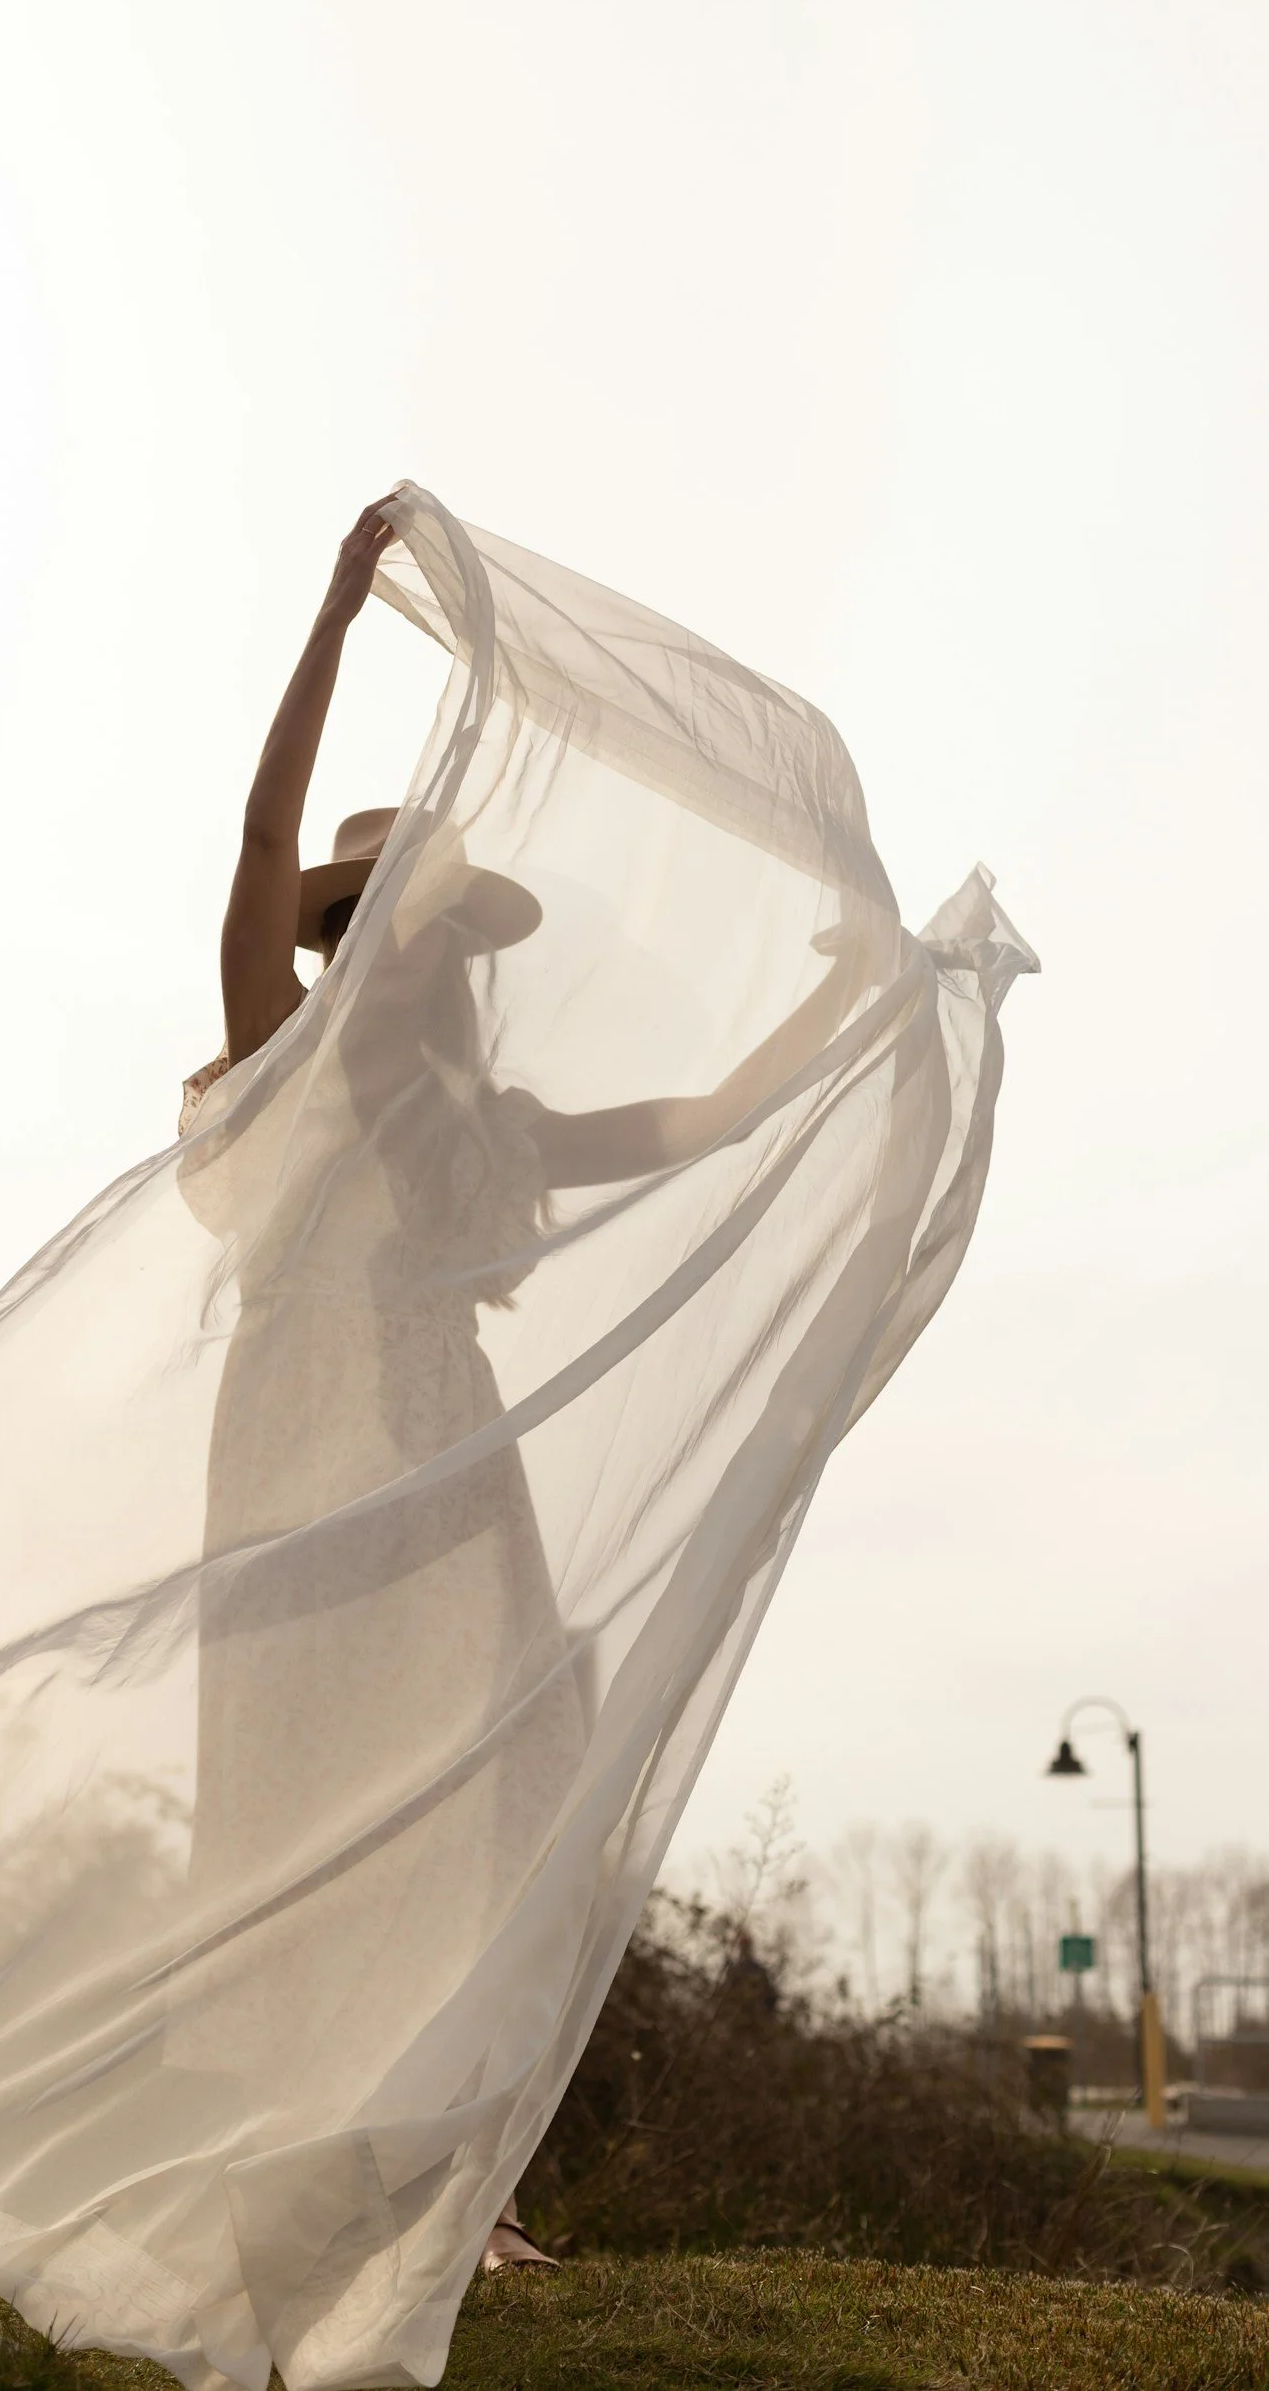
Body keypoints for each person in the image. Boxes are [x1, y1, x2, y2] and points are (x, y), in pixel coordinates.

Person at [179, 499, 880, 2277]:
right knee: (303, 1800)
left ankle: (453, 2188)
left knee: (496, 1793)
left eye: (430, 920)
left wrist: (855, 995)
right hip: (301, 1463)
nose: (404, 938)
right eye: (375, 914)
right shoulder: (277, 1054)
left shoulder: (482, 1125)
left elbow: (699, 1121)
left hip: (448, 1455)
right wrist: (334, 616)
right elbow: (260, 844)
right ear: (339, 936)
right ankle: (284, 2166)